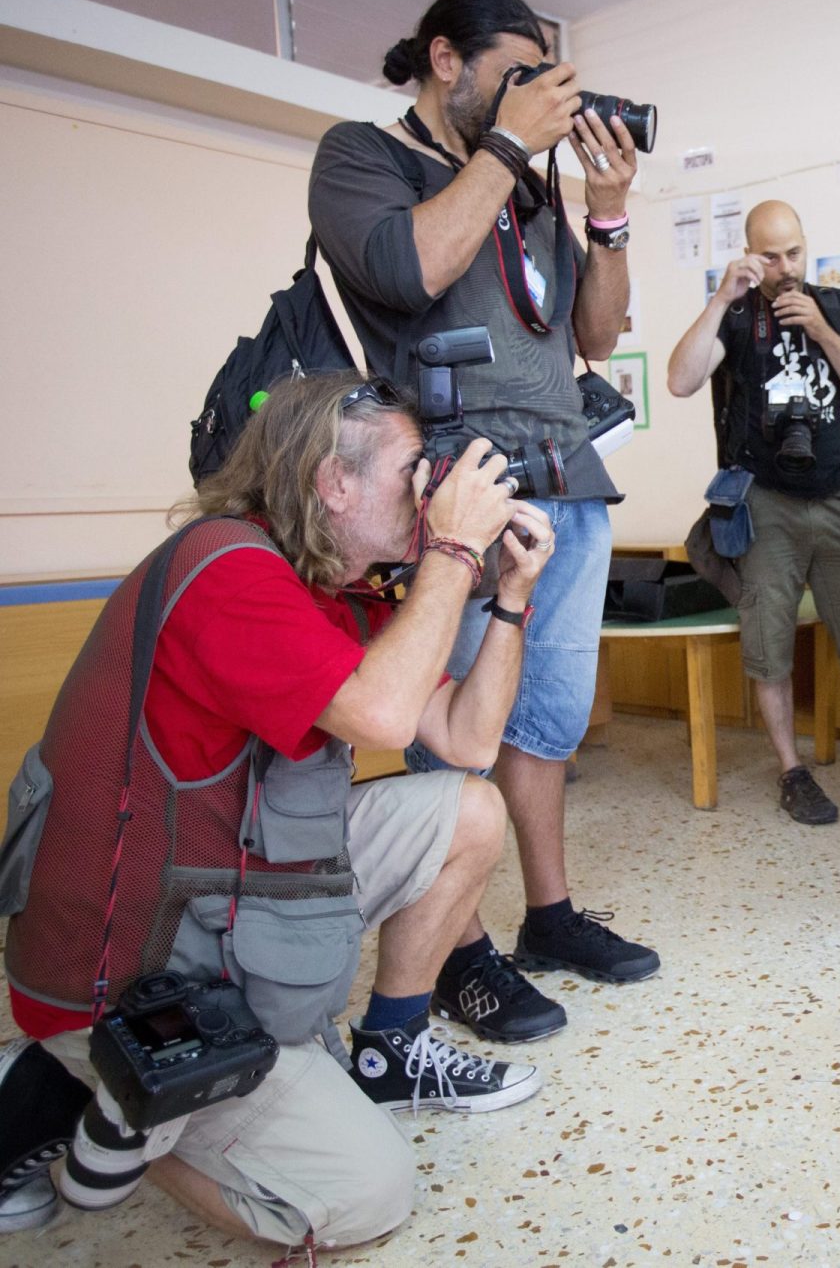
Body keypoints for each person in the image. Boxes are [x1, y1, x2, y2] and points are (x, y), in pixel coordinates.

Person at [0, 373, 546, 1246]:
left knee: (468, 812)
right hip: (132, 966)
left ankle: (391, 1045)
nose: (431, 493)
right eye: (414, 471)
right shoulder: (226, 569)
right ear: (332, 482)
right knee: (368, 1194)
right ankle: (62, 1092)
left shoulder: (330, 585)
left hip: (226, 889)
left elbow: (466, 737)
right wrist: (451, 552)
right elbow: (380, 714)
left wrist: (510, 595)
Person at [308, 0, 658, 1046]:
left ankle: (547, 917)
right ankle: (457, 953)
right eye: (517, 76)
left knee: (545, 726)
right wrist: (505, 148)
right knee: (449, 741)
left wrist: (605, 213)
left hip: (566, 483)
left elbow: (593, 338)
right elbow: (407, 270)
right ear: (444, 61)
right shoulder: (363, 158)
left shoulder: (531, 192)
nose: (539, 100)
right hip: (454, 490)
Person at [666, 202, 840, 824]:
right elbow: (679, 381)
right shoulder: (733, 316)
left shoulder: (834, 307)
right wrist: (718, 299)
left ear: (807, 248)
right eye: (769, 256)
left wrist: (821, 330)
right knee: (769, 647)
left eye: (793, 254)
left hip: (838, 500)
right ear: (750, 254)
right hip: (765, 506)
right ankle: (791, 770)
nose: (784, 268)